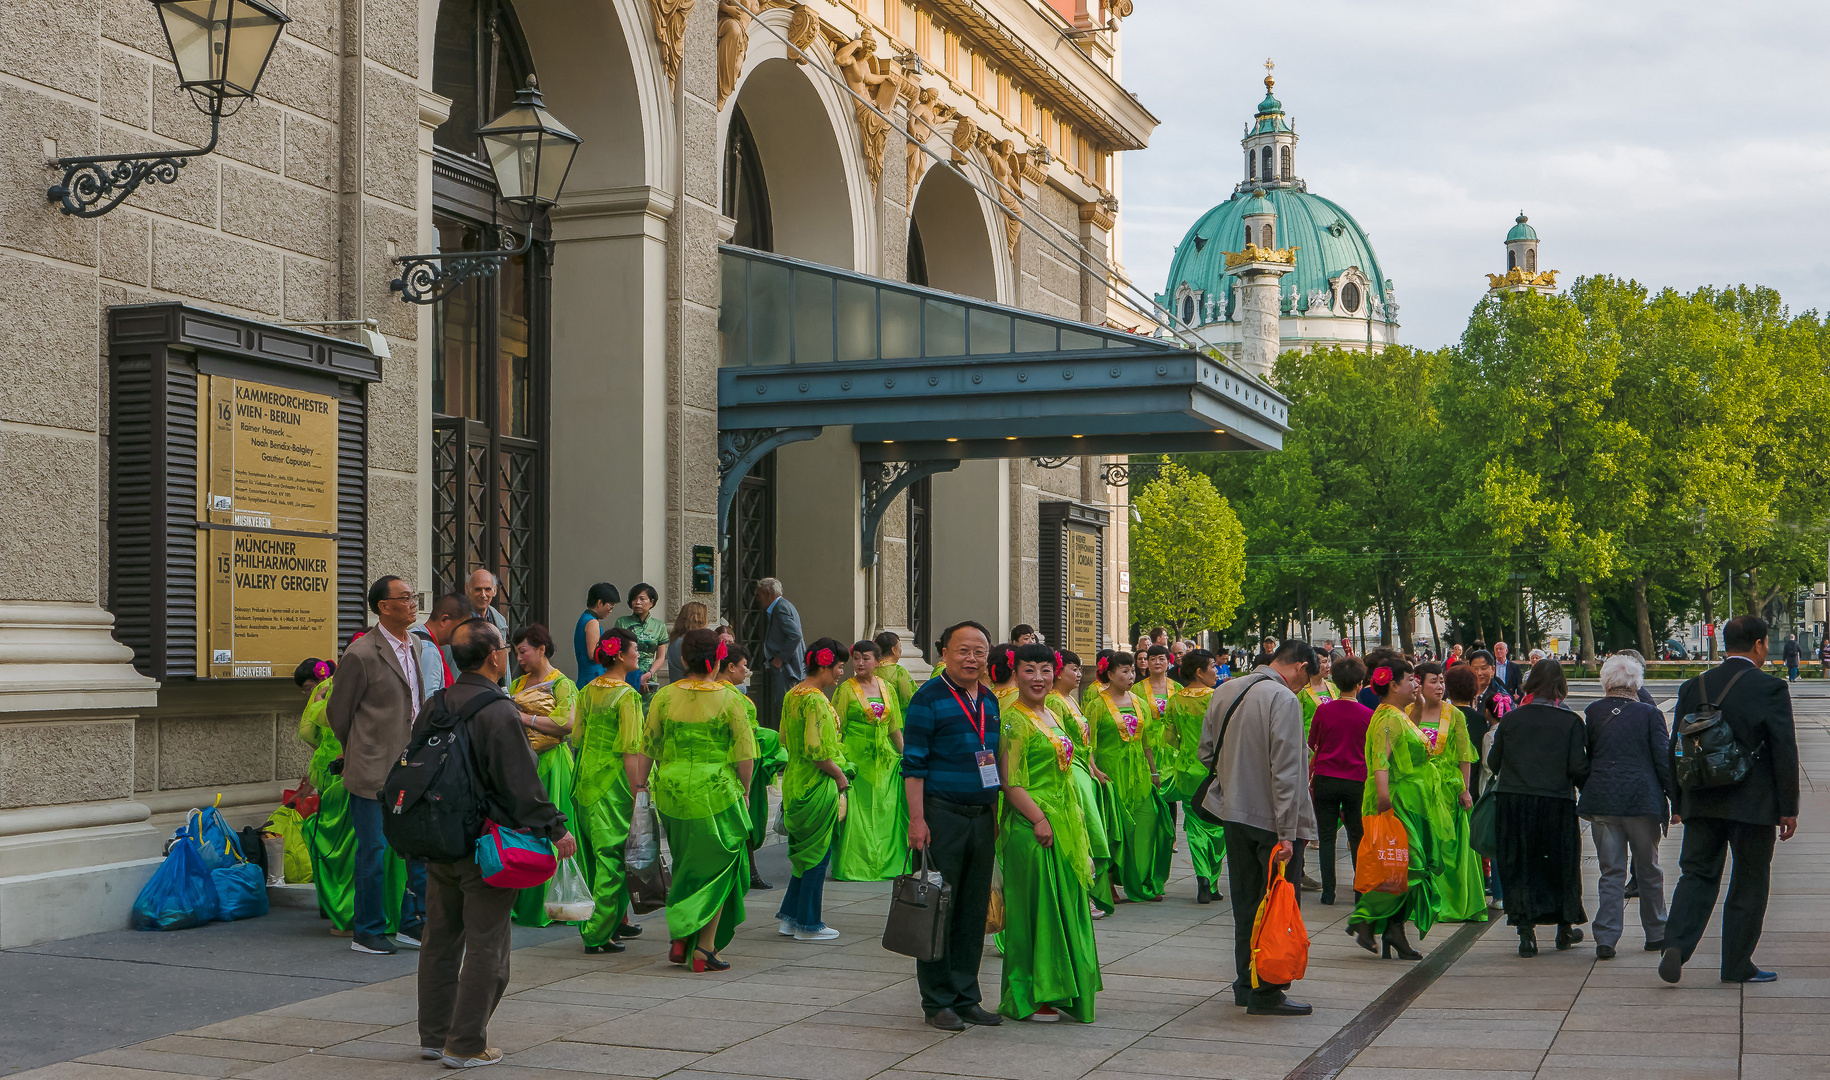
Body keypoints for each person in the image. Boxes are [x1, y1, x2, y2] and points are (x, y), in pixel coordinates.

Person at [414, 618, 575, 1069]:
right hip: (485, 843)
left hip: (438, 837)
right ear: (494, 656)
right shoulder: (498, 710)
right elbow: (520, 784)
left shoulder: (436, 702)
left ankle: (434, 1034)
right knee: (488, 945)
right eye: (504, 647)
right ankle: (465, 1043)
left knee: (439, 939)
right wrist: (555, 828)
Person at [1659, 615, 1800, 985]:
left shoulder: (1694, 686)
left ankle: (1675, 944)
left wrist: (1677, 800)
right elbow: (1784, 750)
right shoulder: (1769, 688)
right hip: (1753, 803)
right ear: (1757, 644)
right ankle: (1737, 963)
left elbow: (1675, 745)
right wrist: (1788, 808)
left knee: (1697, 874)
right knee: (1749, 880)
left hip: (1701, 799)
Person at [1198, 640, 1318, 1016]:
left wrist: (1237, 773)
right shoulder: (1283, 699)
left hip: (1233, 813)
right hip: (1273, 821)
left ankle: (1245, 983)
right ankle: (1267, 990)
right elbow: (1286, 772)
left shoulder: (1226, 689)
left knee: (1246, 903)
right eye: (1307, 678)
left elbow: (1205, 752)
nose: (1304, 686)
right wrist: (1287, 833)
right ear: (1299, 666)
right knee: (1278, 905)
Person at [903, 621, 1004, 1032]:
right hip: (941, 815)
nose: (972, 659)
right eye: (963, 650)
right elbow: (913, 765)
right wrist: (917, 820)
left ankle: (967, 996)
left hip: (980, 816)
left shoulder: (991, 701)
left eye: (980, 651)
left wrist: (994, 814)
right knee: (938, 908)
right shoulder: (928, 698)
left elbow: (992, 761)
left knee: (972, 909)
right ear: (943, 652)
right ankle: (937, 1000)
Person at [997, 644, 1103, 1023]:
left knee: (1062, 907)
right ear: (1016, 673)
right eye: (1029, 670)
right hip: (1032, 826)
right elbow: (1009, 782)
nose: (1038, 678)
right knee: (1036, 913)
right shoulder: (1013, 719)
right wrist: (1039, 819)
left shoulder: (1051, 713)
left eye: (1045, 670)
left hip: (1063, 823)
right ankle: (1031, 994)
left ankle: (1062, 987)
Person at [642, 629, 758, 972]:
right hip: (717, 791)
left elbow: (648, 746)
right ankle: (703, 948)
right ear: (719, 658)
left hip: (673, 790)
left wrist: (640, 786)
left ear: (682, 659)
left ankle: (681, 935)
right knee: (718, 869)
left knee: (685, 864)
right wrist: (747, 790)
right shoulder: (730, 698)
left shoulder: (664, 696)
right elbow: (744, 753)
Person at [327, 576, 430, 955]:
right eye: (405, 598)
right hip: (372, 768)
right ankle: (367, 930)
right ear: (384, 607)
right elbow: (339, 713)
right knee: (373, 852)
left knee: (418, 848)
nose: (412, 603)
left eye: (413, 597)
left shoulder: (416, 644)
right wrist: (360, 747)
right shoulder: (361, 654)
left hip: (412, 766)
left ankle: (413, 922)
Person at [1346, 651, 1448, 961]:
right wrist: (1383, 799)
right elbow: (1380, 758)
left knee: (1400, 869)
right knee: (1409, 867)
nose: (1415, 684)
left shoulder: (1399, 714)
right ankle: (1365, 919)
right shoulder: (1388, 717)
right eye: (1409, 680)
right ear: (1393, 686)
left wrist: (1417, 702)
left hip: (1410, 801)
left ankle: (1394, 929)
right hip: (1395, 801)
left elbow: (1412, 735)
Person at [1488, 658, 1590, 957]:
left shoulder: (1511, 719)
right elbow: (1578, 767)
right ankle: (1564, 927)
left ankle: (1525, 933)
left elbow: (1494, 762)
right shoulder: (1571, 721)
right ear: (1561, 685)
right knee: (1561, 863)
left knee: (1519, 862)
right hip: (1556, 802)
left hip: (1514, 801)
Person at [1580, 654, 1672, 960]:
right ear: (1636, 683)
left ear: (1606, 681)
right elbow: (1663, 760)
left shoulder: (1593, 712)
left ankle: (1606, 937)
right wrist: (1677, 799)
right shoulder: (1650, 714)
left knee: (1611, 872)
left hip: (1603, 799)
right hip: (1642, 801)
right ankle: (1656, 932)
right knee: (1649, 869)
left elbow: (1590, 755)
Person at [571, 626, 647, 954]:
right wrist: (639, 791)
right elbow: (632, 751)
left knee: (593, 857)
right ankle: (595, 932)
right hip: (612, 784)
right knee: (612, 859)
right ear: (619, 654)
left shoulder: (588, 690)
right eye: (635, 649)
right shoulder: (627, 696)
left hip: (585, 778)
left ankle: (606, 926)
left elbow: (576, 738)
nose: (639, 654)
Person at [776, 638, 853, 943]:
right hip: (816, 783)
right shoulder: (817, 700)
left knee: (801, 854)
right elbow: (818, 752)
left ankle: (790, 917)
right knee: (818, 855)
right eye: (839, 666)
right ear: (824, 664)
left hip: (795, 780)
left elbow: (784, 738)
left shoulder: (793, 694)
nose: (840, 673)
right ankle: (809, 922)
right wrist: (840, 776)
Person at [507, 624, 579, 927]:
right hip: (524, 763)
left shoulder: (561, 683)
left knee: (554, 829)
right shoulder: (518, 682)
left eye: (523, 651)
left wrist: (524, 717)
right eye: (516, 653)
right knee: (526, 831)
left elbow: (567, 724)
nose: (520, 658)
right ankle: (527, 898)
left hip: (552, 763)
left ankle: (557, 900)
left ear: (541, 649)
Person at [1086, 651, 1171, 903]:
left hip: (1139, 772)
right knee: (1114, 827)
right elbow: (1088, 744)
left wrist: (1154, 771)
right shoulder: (1096, 704)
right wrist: (1094, 770)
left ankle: (1141, 880)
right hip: (1110, 772)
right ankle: (1109, 881)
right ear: (1110, 674)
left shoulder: (1139, 701)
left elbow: (1146, 742)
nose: (1130, 675)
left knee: (1146, 823)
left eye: (1132, 670)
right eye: (1124, 671)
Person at [1409, 662, 1485, 923]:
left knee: (1448, 848)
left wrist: (1465, 789)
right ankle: (1422, 901)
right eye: (1433, 681)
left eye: (1441, 681)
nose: (1439, 686)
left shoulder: (1454, 714)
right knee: (1421, 845)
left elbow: (1465, 756)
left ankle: (1451, 901)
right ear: (1418, 684)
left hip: (1448, 791)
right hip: (1418, 790)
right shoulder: (1408, 712)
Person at [1045, 649, 1115, 918]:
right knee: (1083, 831)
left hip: (1083, 769)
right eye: (1072, 668)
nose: (1078, 674)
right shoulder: (1054, 702)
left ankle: (1088, 892)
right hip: (1070, 771)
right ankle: (1081, 895)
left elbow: (1086, 742)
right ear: (1058, 672)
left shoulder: (1070, 700)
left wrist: (1094, 767)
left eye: (1079, 668)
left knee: (1090, 831)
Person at [831, 640, 908, 881]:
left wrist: (905, 755)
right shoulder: (845, 690)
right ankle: (857, 865)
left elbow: (894, 725)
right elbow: (836, 727)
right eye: (856, 658)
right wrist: (838, 761)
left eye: (866, 658)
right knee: (857, 812)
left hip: (884, 758)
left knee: (886, 809)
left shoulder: (887, 687)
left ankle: (887, 863)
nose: (860, 663)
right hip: (856, 757)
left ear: (876, 661)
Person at [718, 644, 785, 891]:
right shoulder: (731, 696)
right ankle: (742, 873)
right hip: (739, 764)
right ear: (731, 666)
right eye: (744, 665)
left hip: (731, 763)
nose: (747, 670)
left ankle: (746, 870)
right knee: (743, 819)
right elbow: (745, 736)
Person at [1162, 650, 1225, 904]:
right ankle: (1214, 880)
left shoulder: (1175, 700)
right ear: (1199, 671)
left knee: (1195, 825)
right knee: (1219, 827)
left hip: (1187, 769)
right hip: (1216, 769)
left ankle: (1202, 878)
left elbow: (1169, 738)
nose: (1216, 671)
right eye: (1212, 666)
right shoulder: (1218, 698)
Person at [1308, 656, 1371, 907]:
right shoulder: (1368, 714)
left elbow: (1313, 743)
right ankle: (1359, 890)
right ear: (1360, 684)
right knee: (1357, 836)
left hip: (1326, 777)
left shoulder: (1323, 710)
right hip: (1357, 780)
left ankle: (1328, 892)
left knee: (1325, 837)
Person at [756, 578, 805, 730]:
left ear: (768, 593)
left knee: (783, 708)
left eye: (759, 595)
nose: (758, 599)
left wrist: (780, 659)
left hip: (787, 670)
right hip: (788, 669)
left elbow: (794, 635)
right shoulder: (784, 605)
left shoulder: (780, 608)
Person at [613, 583, 668, 693]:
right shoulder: (622, 622)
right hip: (626, 676)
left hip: (649, 678)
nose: (637, 602)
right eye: (634, 599)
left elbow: (661, 657)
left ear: (651, 602)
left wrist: (649, 674)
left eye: (642, 599)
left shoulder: (659, 626)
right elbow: (616, 652)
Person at [463, 570, 511, 686]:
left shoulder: (499, 622)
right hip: (467, 689)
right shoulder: (457, 620)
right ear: (468, 589)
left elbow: (504, 662)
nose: (483, 595)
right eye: (478, 589)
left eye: (487, 589)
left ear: (494, 590)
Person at [415, 594, 467, 692]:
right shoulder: (429, 650)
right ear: (444, 620)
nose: (460, 634)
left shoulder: (414, 635)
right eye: (459, 628)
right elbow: (429, 699)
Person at [653, 600, 710, 687]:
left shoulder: (675, 640)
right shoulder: (689, 643)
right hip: (693, 691)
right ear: (700, 619)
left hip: (677, 690)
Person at [574, 583, 621, 686]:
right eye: (610, 606)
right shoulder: (592, 622)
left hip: (586, 676)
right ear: (600, 603)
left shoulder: (584, 618)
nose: (610, 611)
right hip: (592, 677)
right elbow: (593, 654)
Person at [875, 630, 920, 710]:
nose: (901, 650)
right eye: (900, 646)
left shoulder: (871, 670)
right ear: (893, 650)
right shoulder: (899, 672)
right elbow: (907, 699)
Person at [1297, 650, 1335, 739]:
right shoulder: (1301, 691)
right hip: (1310, 743)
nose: (1328, 666)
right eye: (1324, 662)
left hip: (1332, 740)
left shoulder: (1334, 687)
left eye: (1328, 661)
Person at [1140, 646, 1180, 721]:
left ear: (1168, 662)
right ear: (1148, 662)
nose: (1157, 662)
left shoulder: (1177, 687)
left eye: (1161, 659)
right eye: (1152, 659)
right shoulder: (1137, 689)